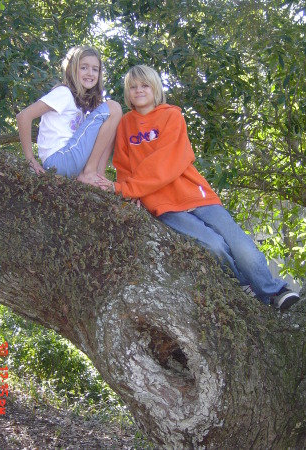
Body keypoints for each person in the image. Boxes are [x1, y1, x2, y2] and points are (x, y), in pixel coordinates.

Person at [97, 64, 300, 310]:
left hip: (197, 194)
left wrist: (126, 188)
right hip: (162, 205)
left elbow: (167, 163)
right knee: (213, 246)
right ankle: (245, 286)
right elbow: (123, 165)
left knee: (240, 244)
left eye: (145, 85)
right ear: (127, 93)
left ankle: (274, 292)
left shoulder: (172, 115)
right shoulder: (126, 125)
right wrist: (128, 192)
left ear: (156, 88)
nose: (138, 90)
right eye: (132, 87)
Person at [17, 45, 122, 185]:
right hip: (60, 158)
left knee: (110, 125)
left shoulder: (79, 102)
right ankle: (91, 173)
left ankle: (98, 175)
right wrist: (30, 159)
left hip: (67, 161)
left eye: (95, 69)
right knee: (113, 108)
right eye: (84, 67)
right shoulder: (63, 93)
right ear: (72, 69)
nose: (90, 73)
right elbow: (23, 116)